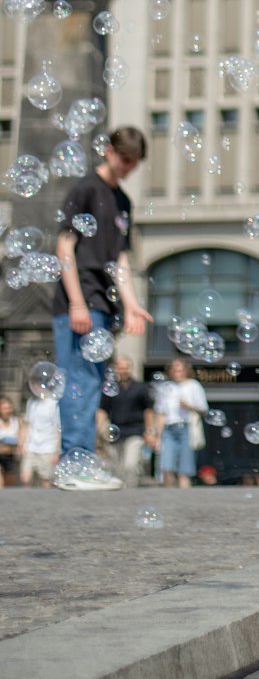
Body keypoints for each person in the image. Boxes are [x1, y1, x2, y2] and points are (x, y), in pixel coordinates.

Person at [51, 125, 152, 490]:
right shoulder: (85, 189)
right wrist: (77, 302)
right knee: (78, 381)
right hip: (80, 300)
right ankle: (71, 463)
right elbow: (65, 248)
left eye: (135, 163)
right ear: (109, 151)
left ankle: (81, 460)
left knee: (92, 382)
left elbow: (120, 259)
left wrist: (132, 304)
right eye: (125, 159)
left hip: (103, 304)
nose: (128, 167)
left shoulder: (123, 201)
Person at [99, 355, 155, 487]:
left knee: (131, 463)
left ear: (130, 368)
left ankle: (130, 490)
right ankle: (120, 493)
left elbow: (149, 411)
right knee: (117, 467)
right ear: (115, 369)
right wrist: (100, 429)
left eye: (125, 368)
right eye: (120, 368)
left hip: (135, 431)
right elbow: (103, 411)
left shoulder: (141, 387)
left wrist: (150, 431)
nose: (123, 370)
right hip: (115, 432)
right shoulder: (110, 388)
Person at [154, 357, 208, 488]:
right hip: (168, 428)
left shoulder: (193, 385)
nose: (178, 373)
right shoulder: (166, 387)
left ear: (186, 371)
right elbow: (160, 412)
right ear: (170, 372)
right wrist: (157, 435)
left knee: (185, 468)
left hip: (186, 427)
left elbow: (203, 409)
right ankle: (169, 496)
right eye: (175, 370)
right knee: (166, 465)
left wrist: (188, 406)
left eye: (181, 370)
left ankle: (184, 499)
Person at [19, 388, 60, 486]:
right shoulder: (31, 402)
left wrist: (56, 452)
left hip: (48, 448)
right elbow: (27, 424)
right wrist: (21, 443)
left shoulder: (53, 403)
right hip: (30, 446)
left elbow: (58, 429)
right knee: (25, 478)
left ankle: (44, 501)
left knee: (45, 480)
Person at [0, 396, 21, 488]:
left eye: (8, 408)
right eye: (4, 408)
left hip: (11, 456)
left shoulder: (16, 421)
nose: (7, 410)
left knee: (9, 483)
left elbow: (21, 438)